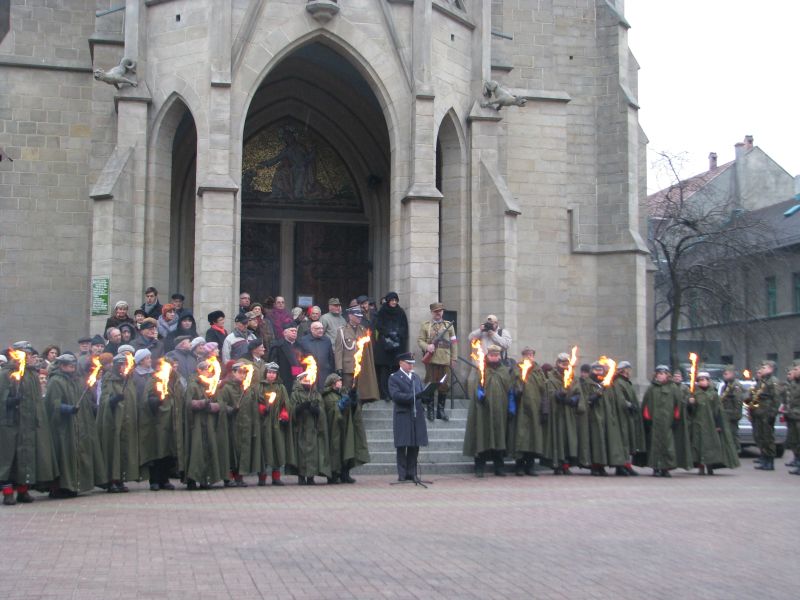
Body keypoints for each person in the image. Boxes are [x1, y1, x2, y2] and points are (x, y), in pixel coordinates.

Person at [0, 341, 58, 505]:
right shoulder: (6, 374)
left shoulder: (32, 375)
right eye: (30, 355)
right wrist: (10, 401)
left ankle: (23, 491)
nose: (33, 358)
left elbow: (37, 401)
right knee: (9, 460)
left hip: (30, 424)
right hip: (10, 424)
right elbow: (1, 398)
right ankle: (8, 493)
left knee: (27, 459)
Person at [45, 354, 107, 497]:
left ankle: (75, 485)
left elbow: (84, 401)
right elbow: (52, 404)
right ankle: (61, 487)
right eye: (68, 365)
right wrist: (67, 409)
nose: (72, 367)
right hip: (63, 427)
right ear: (61, 366)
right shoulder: (56, 381)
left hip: (79, 426)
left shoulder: (77, 380)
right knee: (64, 457)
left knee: (78, 455)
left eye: (73, 364)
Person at [463, 345, 512, 477]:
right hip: (483, 410)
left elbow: (509, 389)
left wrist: (511, 406)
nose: (494, 358)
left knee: (499, 437)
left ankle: (499, 467)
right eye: (492, 355)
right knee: (482, 436)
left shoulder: (504, 371)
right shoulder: (482, 369)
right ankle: (479, 467)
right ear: (488, 356)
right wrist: (480, 394)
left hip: (500, 410)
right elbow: (477, 386)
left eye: (497, 355)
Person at [98, 353, 141, 492]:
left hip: (127, 420)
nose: (123, 368)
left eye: (125, 365)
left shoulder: (128, 380)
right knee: (113, 450)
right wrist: (114, 399)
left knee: (125, 449)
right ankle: (111, 480)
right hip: (113, 422)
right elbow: (104, 400)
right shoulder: (109, 379)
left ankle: (122, 477)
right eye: (121, 365)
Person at [641, 365, 690, 477]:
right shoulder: (651, 388)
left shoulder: (673, 388)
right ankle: (655, 467)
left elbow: (678, 406)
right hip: (654, 423)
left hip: (668, 423)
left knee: (668, 446)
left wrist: (676, 419)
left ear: (667, 375)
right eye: (658, 374)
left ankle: (665, 468)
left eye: (662, 374)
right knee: (654, 446)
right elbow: (646, 405)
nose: (660, 376)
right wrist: (647, 419)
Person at [686, 372, 739, 475]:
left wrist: (718, 424)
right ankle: (701, 467)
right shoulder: (695, 394)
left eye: (704, 379)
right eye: (700, 380)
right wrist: (690, 404)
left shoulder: (713, 394)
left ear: (708, 381)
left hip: (711, 425)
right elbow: (691, 412)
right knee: (698, 446)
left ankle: (710, 467)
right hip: (698, 424)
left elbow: (718, 410)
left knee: (711, 446)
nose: (702, 382)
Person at [388, 352, 429, 482]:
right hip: (403, 413)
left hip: (416, 413)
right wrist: (414, 397)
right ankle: (402, 473)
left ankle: (412, 472)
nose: (411, 366)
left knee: (414, 444)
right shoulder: (394, 377)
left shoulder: (415, 377)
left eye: (412, 364)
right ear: (401, 363)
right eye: (408, 363)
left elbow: (421, 391)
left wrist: (427, 395)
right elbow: (396, 395)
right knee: (402, 444)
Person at [183, 360, 222, 489]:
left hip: (209, 422)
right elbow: (188, 403)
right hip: (196, 423)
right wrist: (201, 403)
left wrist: (211, 406)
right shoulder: (193, 385)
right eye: (206, 369)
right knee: (196, 451)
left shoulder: (212, 384)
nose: (208, 372)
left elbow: (219, 403)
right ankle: (192, 479)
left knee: (208, 449)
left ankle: (205, 479)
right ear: (199, 370)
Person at [417, 302, 457, 422]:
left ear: (443, 312)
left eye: (440, 311)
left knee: (444, 385)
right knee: (430, 384)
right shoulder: (426, 326)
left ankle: (440, 410)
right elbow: (420, 340)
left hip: (445, 359)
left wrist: (454, 358)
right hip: (432, 360)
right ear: (432, 312)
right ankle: (430, 410)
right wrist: (427, 347)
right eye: (436, 311)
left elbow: (454, 343)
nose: (438, 313)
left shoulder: (449, 325)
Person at [508, 347, 546, 476]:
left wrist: (544, 409)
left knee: (533, 438)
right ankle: (519, 465)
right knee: (521, 437)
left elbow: (543, 389)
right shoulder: (517, 369)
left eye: (531, 354)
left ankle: (530, 466)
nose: (529, 357)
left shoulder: (538, 371)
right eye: (527, 355)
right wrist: (517, 390)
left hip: (535, 410)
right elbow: (511, 385)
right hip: (521, 410)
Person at [290, 371, 331, 485]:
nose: (307, 382)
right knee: (301, 453)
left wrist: (316, 410)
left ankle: (311, 476)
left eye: (309, 380)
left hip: (313, 428)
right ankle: (301, 476)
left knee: (313, 453)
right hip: (301, 429)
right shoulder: (295, 394)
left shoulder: (316, 394)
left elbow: (321, 409)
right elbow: (291, 409)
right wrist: (300, 408)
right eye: (305, 380)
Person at [543, 352, 580, 475]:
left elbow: (578, 393)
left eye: (566, 364)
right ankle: (557, 464)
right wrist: (559, 395)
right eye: (563, 363)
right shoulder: (550, 378)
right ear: (557, 363)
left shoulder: (572, 377)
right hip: (556, 413)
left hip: (568, 412)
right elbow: (549, 393)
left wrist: (572, 400)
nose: (565, 366)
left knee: (568, 438)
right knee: (557, 438)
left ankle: (566, 464)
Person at [334, 307, 380, 401]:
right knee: (347, 393)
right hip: (348, 367)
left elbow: (368, 351)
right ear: (350, 316)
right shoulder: (342, 331)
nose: (360, 318)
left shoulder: (363, 330)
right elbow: (338, 351)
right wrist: (339, 367)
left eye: (360, 316)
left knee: (360, 395)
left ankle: (358, 413)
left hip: (362, 367)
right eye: (357, 316)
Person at [258, 362, 293, 486]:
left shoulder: (281, 388)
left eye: (273, 373)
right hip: (264, 423)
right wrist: (262, 409)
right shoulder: (260, 387)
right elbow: (256, 402)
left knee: (277, 448)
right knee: (263, 449)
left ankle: (276, 476)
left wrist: (284, 415)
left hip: (276, 423)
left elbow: (285, 404)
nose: (271, 375)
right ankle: (262, 477)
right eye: (269, 372)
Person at [611, 360, 645, 475]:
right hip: (621, 416)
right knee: (623, 441)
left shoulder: (626, 382)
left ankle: (626, 465)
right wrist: (629, 405)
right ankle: (620, 466)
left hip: (627, 416)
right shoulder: (618, 382)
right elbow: (620, 399)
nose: (629, 371)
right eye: (628, 369)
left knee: (628, 441)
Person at [373, 291, 409, 401]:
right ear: (388, 301)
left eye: (395, 300)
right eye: (392, 300)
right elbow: (379, 325)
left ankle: (394, 392)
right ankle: (385, 394)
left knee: (395, 370)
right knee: (384, 371)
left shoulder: (401, 312)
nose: (393, 302)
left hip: (397, 347)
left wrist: (397, 334)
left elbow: (404, 327)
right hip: (384, 346)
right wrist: (389, 332)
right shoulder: (382, 311)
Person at [750, 360, 781, 471]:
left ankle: (770, 461)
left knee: (768, 438)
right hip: (760, 413)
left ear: (771, 369)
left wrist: (773, 414)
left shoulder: (773, 381)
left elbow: (776, 399)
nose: (761, 369)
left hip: (767, 414)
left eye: (764, 367)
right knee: (761, 437)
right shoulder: (762, 381)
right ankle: (764, 458)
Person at [297, 321, 335, 392]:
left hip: (324, 373)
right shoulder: (303, 341)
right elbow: (299, 359)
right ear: (312, 329)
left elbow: (331, 358)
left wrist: (331, 371)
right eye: (318, 328)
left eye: (322, 328)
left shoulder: (327, 340)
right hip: (309, 373)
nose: (321, 330)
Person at [269, 322, 304, 393]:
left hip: (298, 379)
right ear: (285, 333)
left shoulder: (300, 346)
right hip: (283, 379)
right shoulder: (278, 346)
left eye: (295, 331)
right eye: (292, 331)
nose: (294, 333)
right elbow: (273, 364)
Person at [718, 365, 745, 454]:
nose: (724, 376)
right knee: (727, 435)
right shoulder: (725, 386)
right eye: (724, 374)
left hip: (732, 415)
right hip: (725, 414)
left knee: (733, 434)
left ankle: (736, 451)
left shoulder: (736, 386)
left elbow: (738, 401)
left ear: (732, 374)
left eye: (726, 374)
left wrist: (735, 415)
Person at [783, 360, 800, 474]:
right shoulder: (794, 384)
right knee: (795, 442)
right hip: (793, 416)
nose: (793, 372)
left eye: (796, 369)